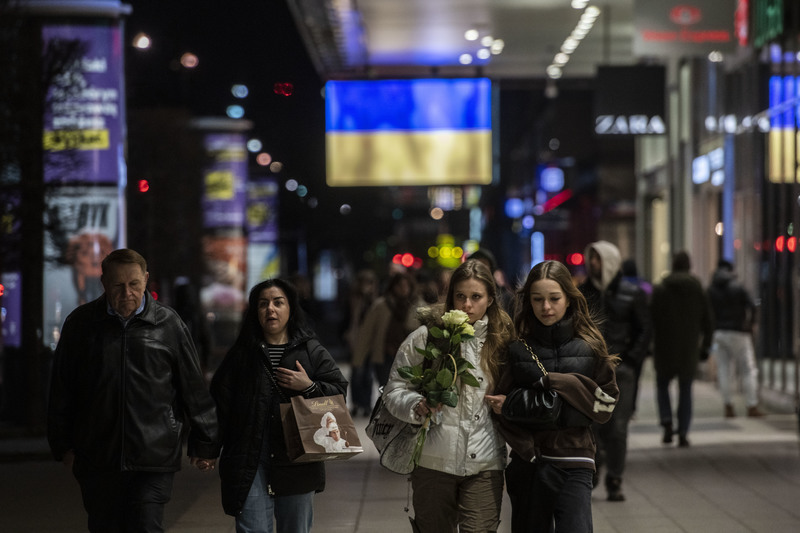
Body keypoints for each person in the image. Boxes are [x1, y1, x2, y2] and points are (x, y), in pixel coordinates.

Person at [47, 248, 220, 533]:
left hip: (154, 455)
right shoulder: (81, 324)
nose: (126, 292)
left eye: (134, 284)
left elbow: (193, 386)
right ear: (104, 283)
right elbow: (62, 389)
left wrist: (206, 443)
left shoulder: (168, 324)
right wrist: (63, 445)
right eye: (118, 285)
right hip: (97, 456)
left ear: (146, 280)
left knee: (146, 526)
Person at [382, 260, 515, 533]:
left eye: (476, 297)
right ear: (451, 297)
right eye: (460, 296)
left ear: (490, 299)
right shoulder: (425, 338)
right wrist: (416, 405)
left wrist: (510, 404)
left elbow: (518, 390)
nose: (467, 304)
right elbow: (395, 389)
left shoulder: (503, 342)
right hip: (433, 462)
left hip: (485, 463)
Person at [487, 260, 619, 533]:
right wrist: (527, 445)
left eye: (554, 298)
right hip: (531, 465)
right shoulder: (517, 350)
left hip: (576, 461)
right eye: (538, 299)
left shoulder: (590, 346)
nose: (546, 307)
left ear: (569, 300)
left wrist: (559, 383)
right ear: (528, 302)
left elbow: (605, 406)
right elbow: (499, 408)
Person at [210, 278, 348, 533]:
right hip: (249, 455)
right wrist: (206, 447)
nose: (270, 309)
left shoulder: (311, 351)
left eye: (277, 302)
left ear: (290, 309)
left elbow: (339, 391)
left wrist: (308, 387)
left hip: (298, 456)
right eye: (263, 304)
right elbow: (219, 404)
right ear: (255, 312)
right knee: (252, 527)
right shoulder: (242, 354)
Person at [578, 240, 651, 501]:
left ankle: (615, 478)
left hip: (622, 370)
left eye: (598, 259)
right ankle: (594, 470)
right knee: (593, 425)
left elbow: (644, 330)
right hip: (591, 370)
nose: (593, 264)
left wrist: (630, 359)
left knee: (618, 427)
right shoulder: (583, 294)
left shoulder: (633, 293)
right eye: (591, 258)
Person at [650, 251, 714, 447]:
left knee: (662, 385)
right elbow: (708, 321)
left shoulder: (660, 289)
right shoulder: (697, 289)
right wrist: (705, 346)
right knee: (685, 389)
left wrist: (649, 346)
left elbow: (651, 319)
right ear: (689, 266)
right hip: (688, 349)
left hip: (664, 347)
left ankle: (667, 422)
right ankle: (684, 431)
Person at [351, 271, 420, 412]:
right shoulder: (381, 305)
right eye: (400, 285)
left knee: (407, 388)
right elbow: (367, 333)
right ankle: (389, 414)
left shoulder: (418, 305)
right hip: (385, 354)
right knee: (386, 387)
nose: (403, 289)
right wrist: (359, 358)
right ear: (393, 287)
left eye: (406, 285)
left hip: (409, 356)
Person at [707, 259, 765, 418]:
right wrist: (750, 323)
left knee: (724, 370)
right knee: (748, 369)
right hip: (739, 332)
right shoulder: (737, 286)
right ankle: (751, 405)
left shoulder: (711, 289)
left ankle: (728, 406)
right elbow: (752, 305)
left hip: (719, 333)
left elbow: (707, 312)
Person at [341, 269, 379, 417]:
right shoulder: (352, 299)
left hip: (371, 341)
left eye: (370, 283)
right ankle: (356, 403)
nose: (367, 286)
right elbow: (347, 319)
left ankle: (367, 404)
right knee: (357, 373)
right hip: (355, 340)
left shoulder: (375, 300)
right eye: (364, 282)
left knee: (368, 374)